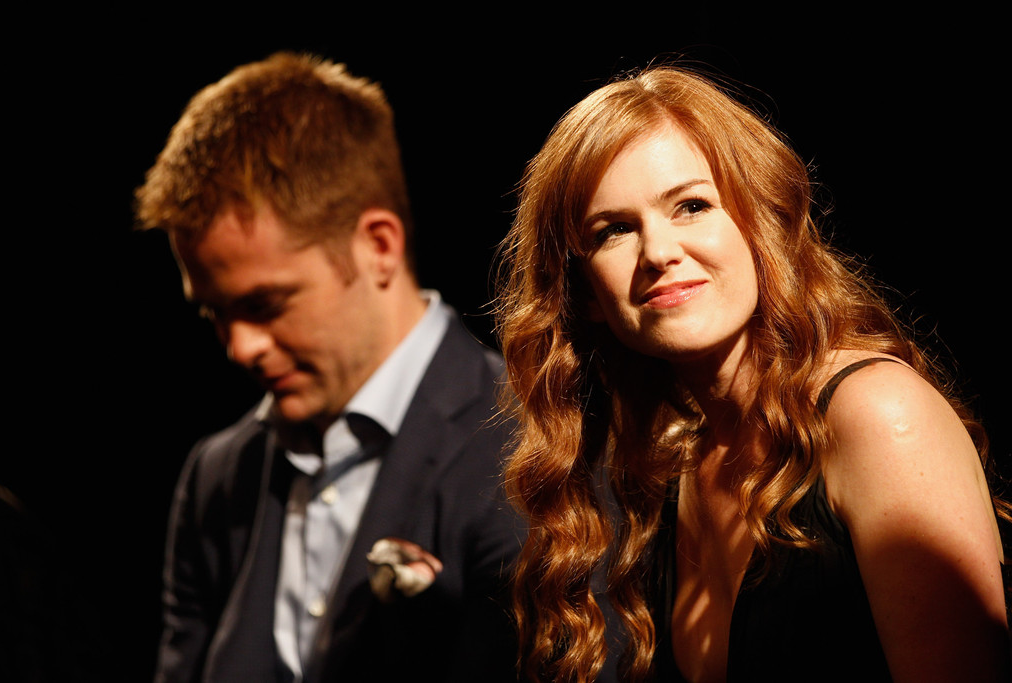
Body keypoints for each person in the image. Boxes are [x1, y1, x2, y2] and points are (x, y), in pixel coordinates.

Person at [495, 66, 1010, 682]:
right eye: (614, 231)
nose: (658, 252)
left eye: (691, 206)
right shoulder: (679, 465)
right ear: (584, 294)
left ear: (760, 220)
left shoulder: (879, 416)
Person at [136, 52, 522, 683]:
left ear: (378, 246)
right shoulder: (216, 479)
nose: (240, 347)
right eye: (215, 314)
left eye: (265, 304)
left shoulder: (532, 448)